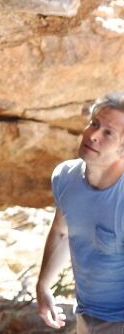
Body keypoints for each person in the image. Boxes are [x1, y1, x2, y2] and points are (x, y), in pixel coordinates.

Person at [37, 91, 124, 333]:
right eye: (94, 124)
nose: (93, 135)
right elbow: (62, 232)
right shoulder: (66, 177)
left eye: (108, 133)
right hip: (86, 315)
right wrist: (43, 286)